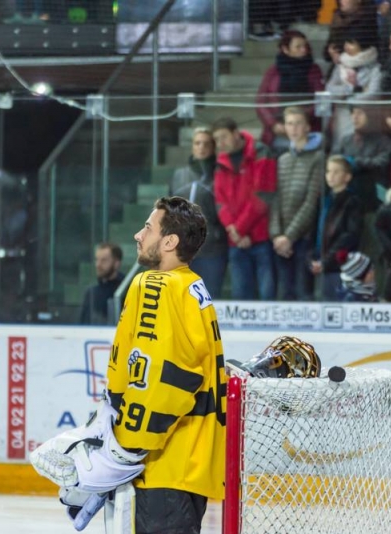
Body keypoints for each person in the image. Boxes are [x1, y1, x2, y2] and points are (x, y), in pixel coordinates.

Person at [107, 196, 226, 532]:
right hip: (190, 464)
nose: (138, 235)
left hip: (162, 464)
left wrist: (129, 446)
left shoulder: (155, 285)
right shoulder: (192, 285)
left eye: (147, 228)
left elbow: (162, 376)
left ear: (170, 242)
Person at [213, 117, 277, 301]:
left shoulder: (261, 152)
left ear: (235, 133)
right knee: (240, 299)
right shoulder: (220, 161)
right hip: (235, 241)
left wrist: (239, 229)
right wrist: (233, 230)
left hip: (261, 237)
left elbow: (262, 196)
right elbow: (220, 201)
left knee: (267, 298)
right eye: (216, 140)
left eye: (223, 137)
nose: (220, 143)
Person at [269, 107, 324, 301]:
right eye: (289, 123)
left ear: (308, 127)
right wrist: (277, 235)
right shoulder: (282, 159)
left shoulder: (318, 158)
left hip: (302, 239)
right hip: (281, 240)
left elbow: (311, 202)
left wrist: (289, 236)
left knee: (303, 293)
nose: (293, 128)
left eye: (298, 123)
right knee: (284, 293)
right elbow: (276, 199)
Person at [171, 127, 228, 299]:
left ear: (213, 147)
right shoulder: (179, 175)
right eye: (197, 143)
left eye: (206, 143)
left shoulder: (220, 175)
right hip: (182, 251)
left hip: (211, 250)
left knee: (208, 301)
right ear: (192, 147)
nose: (201, 147)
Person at [255, 30, 325, 152]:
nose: (303, 50)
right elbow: (261, 101)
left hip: (307, 129)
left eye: (305, 46)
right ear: (286, 49)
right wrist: (273, 124)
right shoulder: (273, 71)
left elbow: (322, 100)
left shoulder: (314, 70)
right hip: (279, 130)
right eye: (298, 47)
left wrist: (300, 121)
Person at [310, 156, 364, 301]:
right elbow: (314, 232)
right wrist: (312, 258)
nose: (330, 176)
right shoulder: (324, 200)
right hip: (320, 264)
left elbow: (349, 236)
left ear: (347, 177)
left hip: (339, 266)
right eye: (328, 171)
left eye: (336, 172)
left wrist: (327, 261)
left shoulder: (352, 202)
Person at [79, 242, 125, 325]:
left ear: (116, 263)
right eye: (97, 259)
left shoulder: (125, 290)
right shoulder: (91, 292)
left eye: (104, 260)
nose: (98, 265)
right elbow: (83, 324)